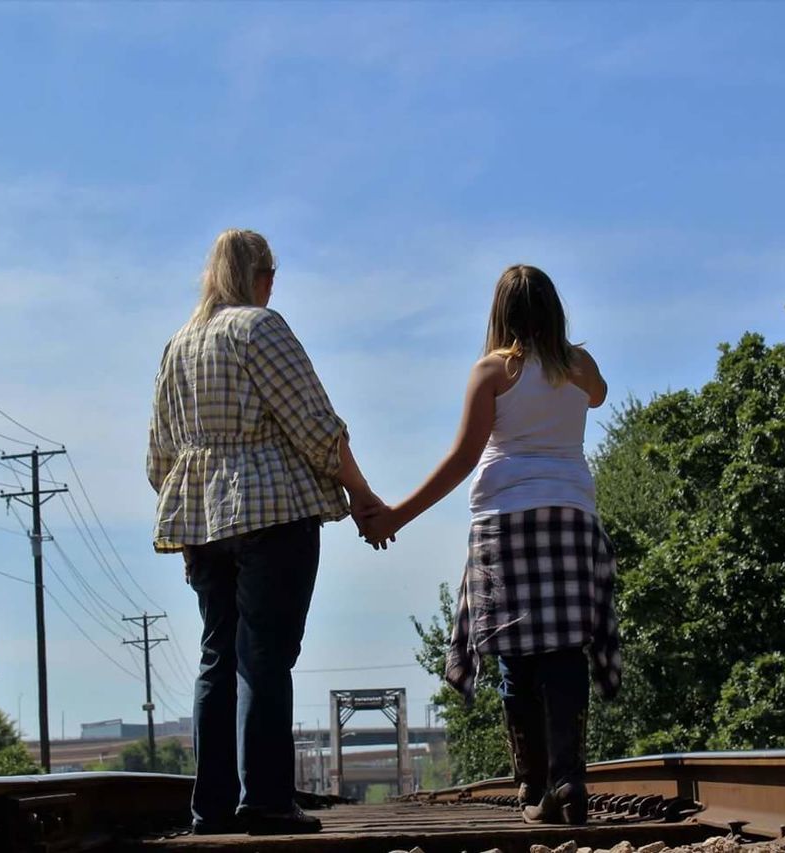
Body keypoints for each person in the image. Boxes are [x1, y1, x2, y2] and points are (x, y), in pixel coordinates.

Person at [361, 264, 621, 825]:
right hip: (572, 517)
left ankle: (532, 788)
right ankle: (570, 780)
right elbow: (600, 396)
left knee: (516, 654)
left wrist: (396, 516)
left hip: (505, 523)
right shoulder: (579, 366)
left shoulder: (491, 372)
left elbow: (462, 459)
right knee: (566, 649)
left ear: (500, 313)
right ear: (553, 309)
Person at [147, 229, 388, 836]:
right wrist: (362, 495)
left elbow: (159, 459)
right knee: (264, 658)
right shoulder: (260, 327)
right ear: (261, 277)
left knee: (216, 657)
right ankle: (268, 802)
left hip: (203, 522)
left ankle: (212, 809)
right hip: (272, 512)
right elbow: (316, 426)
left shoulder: (177, 347)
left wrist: (190, 527)